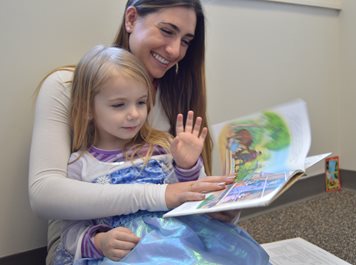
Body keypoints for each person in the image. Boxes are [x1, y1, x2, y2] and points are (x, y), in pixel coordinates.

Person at [28, 1, 253, 264]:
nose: (175, 50)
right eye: (168, 31)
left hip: (171, 230)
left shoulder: (174, 96)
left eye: (186, 41)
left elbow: (188, 182)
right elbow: (44, 193)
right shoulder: (68, 87)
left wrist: (220, 208)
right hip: (98, 237)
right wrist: (160, 196)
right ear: (132, 19)